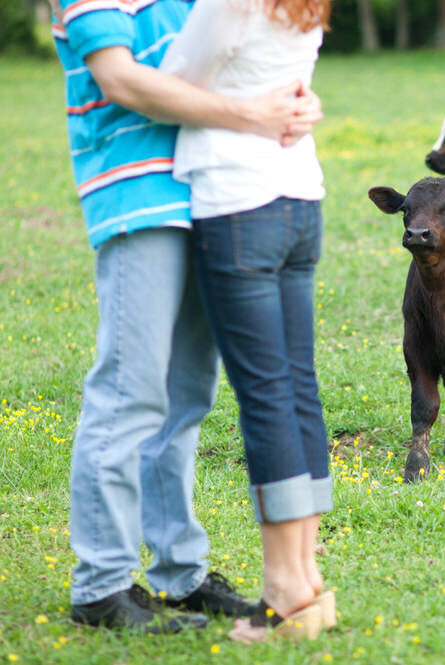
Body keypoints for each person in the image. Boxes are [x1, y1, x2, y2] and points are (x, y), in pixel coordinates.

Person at [50, 0, 323, 634]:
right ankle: (102, 584)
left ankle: (180, 572)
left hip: (211, 197)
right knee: (130, 391)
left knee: (185, 398)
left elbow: (233, 61)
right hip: (139, 196)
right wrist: (255, 115)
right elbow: (119, 79)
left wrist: (298, 104)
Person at [159, 0, 334, 643]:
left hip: (238, 205)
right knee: (296, 387)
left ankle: (285, 589)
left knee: (265, 396)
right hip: (298, 200)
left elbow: (173, 84)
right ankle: (307, 579)